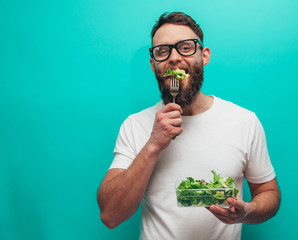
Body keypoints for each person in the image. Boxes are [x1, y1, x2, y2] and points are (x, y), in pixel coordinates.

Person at [97, 12, 281, 240]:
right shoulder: (135, 125)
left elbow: (269, 193)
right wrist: (153, 144)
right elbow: (110, 215)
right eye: (162, 51)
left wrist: (247, 212)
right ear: (153, 64)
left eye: (185, 47)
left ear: (204, 56)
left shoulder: (244, 121)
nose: (173, 58)